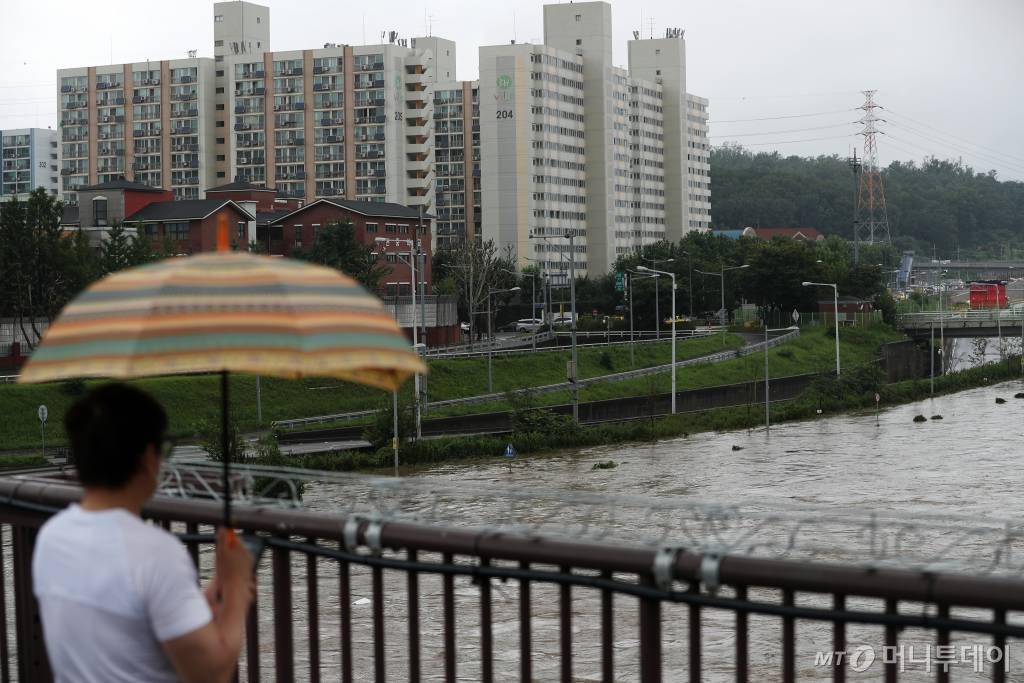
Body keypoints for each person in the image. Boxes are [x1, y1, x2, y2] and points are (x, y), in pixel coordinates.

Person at [32, 383, 255, 683]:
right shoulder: (157, 553)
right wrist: (238, 589)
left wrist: (205, 598)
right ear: (147, 458)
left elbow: (126, 625)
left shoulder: (51, 537)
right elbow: (211, 673)